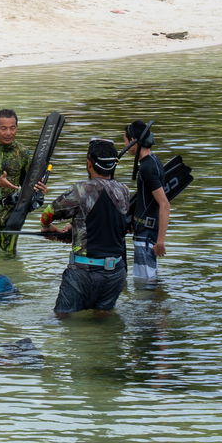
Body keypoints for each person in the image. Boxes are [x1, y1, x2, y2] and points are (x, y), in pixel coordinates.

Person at [43, 138, 132, 317]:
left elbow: (48, 213)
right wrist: (76, 224)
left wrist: (47, 227)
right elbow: (107, 221)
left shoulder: (81, 190)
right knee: (102, 320)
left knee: (61, 318)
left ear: (89, 163)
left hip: (83, 273)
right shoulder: (124, 191)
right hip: (116, 273)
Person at [0, 109, 42, 254]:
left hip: (11, 214)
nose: (8, 133)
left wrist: (39, 189)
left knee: (9, 257)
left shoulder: (24, 152)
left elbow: (31, 182)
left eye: (12, 128)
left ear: (17, 128)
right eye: (3, 128)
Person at [124, 119, 171, 284]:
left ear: (133, 142)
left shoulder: (146, 168)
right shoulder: (153, 161)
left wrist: (160, 241)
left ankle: (155, 308)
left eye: (125, 139)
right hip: (144, 231)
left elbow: (164, 204)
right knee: (149, 281)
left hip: (146, 236)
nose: (125, 144)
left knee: (145, 285)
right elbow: (146, 199)